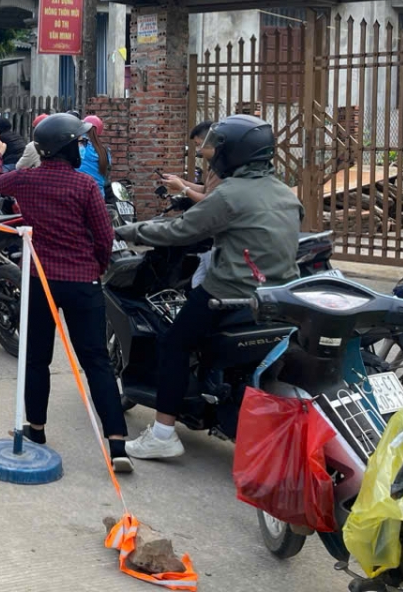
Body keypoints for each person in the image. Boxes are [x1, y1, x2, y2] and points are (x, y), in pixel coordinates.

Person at [116, 115, 303, 461]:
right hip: (281, 295)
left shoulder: (230, 194)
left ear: (232, 153)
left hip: (230, 293)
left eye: (217, 149)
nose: (212, 155)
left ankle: (162, 434)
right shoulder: (284, 192)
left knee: (174, 343)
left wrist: (128, 231)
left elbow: (179, 231)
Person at [0, 113, 132, 473]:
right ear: (67, 148)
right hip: (83, 283)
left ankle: (36, 430)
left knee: (37, 359)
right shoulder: (85, 186)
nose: (82, 147)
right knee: (96, 361)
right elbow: (105, 236)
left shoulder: (25, 180)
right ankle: (117, 445)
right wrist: (96, 267)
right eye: (78, 142)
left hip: (40, 282)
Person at [161, 121, 219, 204]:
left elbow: (208, 201)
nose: (198, 150)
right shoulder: (215, 165)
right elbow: (205, 189)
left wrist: (182, 188)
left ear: (210, 142)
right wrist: (181, 182)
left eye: (199, 144)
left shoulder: (222, 168)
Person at [77, 115, 111, 196]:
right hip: (99, 196)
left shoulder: (79, 148)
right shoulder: (105, 152)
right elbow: (106, 176)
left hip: (80, 194)